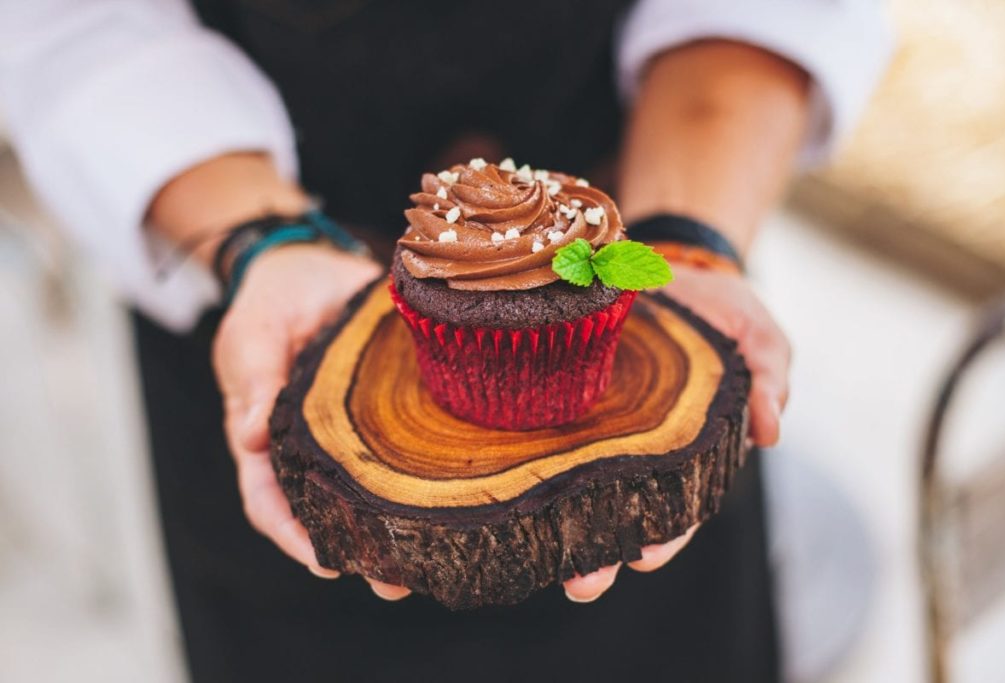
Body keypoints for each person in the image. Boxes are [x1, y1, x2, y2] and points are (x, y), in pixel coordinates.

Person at [0, 1, 889, 681]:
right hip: (265, 306)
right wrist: (261, 241)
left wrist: (690, 229)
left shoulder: (620, 267)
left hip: (633, 237)